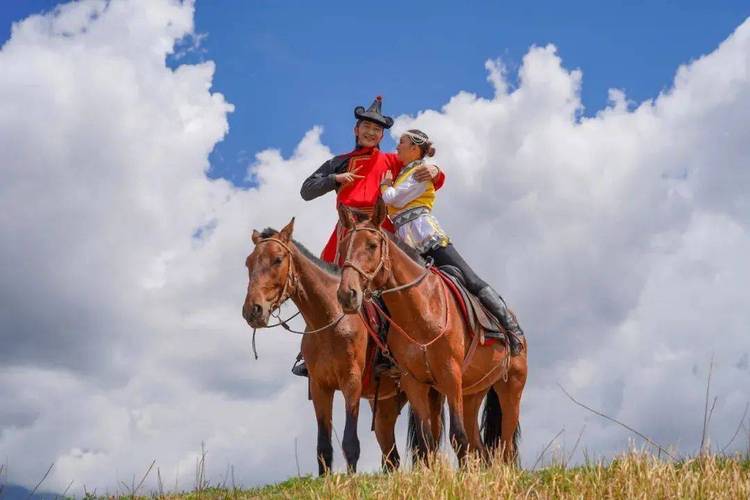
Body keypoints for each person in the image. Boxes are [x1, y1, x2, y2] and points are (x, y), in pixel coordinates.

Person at [291, 97, 446, 376]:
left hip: (378, 228)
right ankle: (310, 352)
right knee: (323, 289)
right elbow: (307, 190)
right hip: (346, 229)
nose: (371, 133)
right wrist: (335, 180)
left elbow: (419, 168)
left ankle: (389, 351)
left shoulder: (392, 160)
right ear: (356, 130)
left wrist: (435, 170)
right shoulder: (339, 162)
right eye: (366, 127)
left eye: (376, 130)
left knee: (386, 287)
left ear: (382, 135)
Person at [380, 129, 524, 355]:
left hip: (424, 234)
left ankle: (512, 328)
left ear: (415, 149)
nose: (397, 146)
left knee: (469, 279)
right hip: (405, 240)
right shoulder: (404, 173)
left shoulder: (418, 172)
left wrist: (385, 186)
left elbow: (392, 198)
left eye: (401, 142)